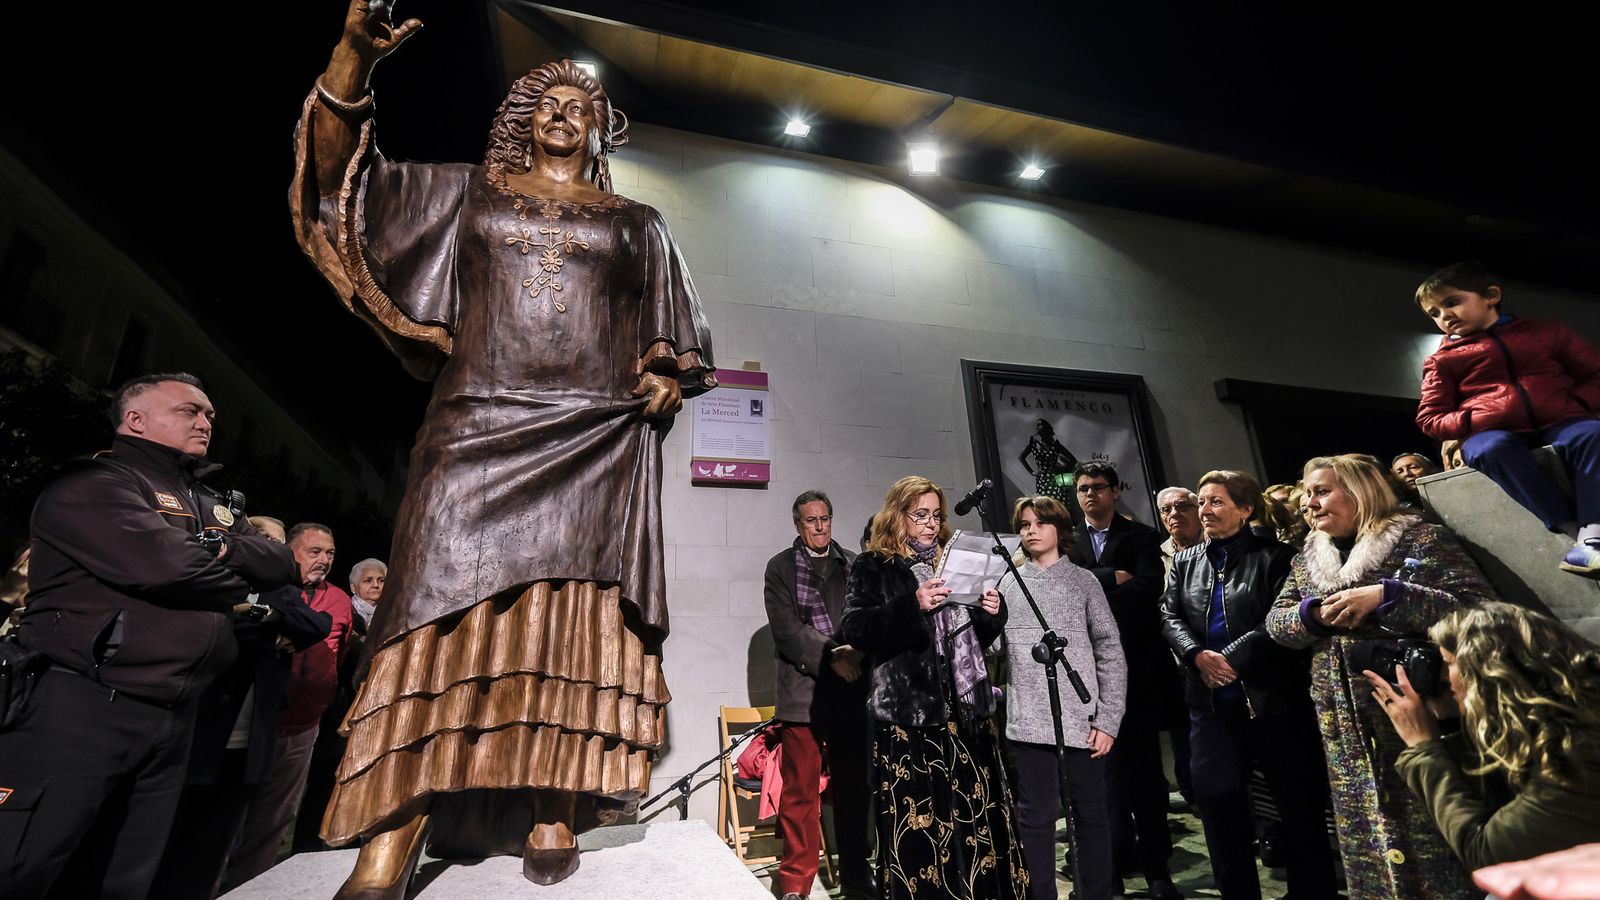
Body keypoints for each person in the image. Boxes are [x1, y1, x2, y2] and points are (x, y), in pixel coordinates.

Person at [291, 2, 715, 894]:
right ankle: (393, 827)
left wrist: (667, 374)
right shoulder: (467, 192)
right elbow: (342, 191)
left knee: (570, 616)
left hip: (593, 434)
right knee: (426, 611)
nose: (565, 112)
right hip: (476, 424)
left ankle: (552, 798)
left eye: (582, 104)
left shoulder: (638, 221)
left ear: (601, 128)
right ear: (523, 122)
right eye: (547, 102)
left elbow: (672, 337)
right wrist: (350, 66)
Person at [0, 373, 297, 899]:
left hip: (173, 715)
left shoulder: (211, 499)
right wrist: (236, 574)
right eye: (190, 411)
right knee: (24, 863)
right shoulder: (93, 484)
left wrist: (219, 548)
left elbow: (282, 563)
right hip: (79, 702)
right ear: (136, 419)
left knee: (123, 879)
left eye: (209, 415)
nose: (206, 422)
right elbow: (169, 567)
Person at [1265, 453, 1498, 900]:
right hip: (1346, 737)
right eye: (1307, 494)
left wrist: (1390, 597)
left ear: (1360, 491)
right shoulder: (1307, 560)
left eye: (1321, 491)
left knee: (1437, 845)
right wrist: (1310, 615)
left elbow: (1479, 610)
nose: (1308, 503)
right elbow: (1276, 624)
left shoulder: (1421, 540)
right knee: (1369, 850)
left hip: (1421, 725)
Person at [839, 476, 1026, 900]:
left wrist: (991, 613)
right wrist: (912, 604)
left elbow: (972, 638)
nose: (929, 524)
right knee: (922, 827)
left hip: (966, 713)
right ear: (898, 516)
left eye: (935, 516)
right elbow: (855, 628)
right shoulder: (875, 565)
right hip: (910, 717)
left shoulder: (954, 560)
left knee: (974, 822)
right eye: (919, 515)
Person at [1159, 471, 1336, 899]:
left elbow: (1279, 617)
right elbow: (1168, 614)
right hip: (1209, 701)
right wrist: (1195, 655)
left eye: (1216, 502)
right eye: (1201, 502)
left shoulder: (1276, 556)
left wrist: (1230, 657)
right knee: (1218, 807)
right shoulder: (1185, 561)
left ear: (1245, 508)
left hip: (1272, 698)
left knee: (1297, 806)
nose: (1204, 511)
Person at [1362, 602, 1600, 869]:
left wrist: (1422, 747)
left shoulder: (1573, 761)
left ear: (1487, 672)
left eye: (1448, 663)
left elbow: (1485, 852)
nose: (1443, 678)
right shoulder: (1567, 716)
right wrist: (1454, 722)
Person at [1413, 260, 1600, 577]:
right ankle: (1573, 535)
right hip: (1490, 432)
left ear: (1490, 296)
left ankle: (1593, 537)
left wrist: (1577, 402)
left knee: (1593, 433)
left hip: (1561, 419)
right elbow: (1431, 417)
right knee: (1489, 449)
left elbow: (1595, 374)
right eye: (1434, 313)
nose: (1444, 316)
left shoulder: (1547, 333)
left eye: (1452, 302)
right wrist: (1476, 418)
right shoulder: (1441, 360)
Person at [998, 495, 1126, 900]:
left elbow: (1110, 652)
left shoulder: (1084, 581)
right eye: (1023, 525)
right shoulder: (1008, 583)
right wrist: (985, 617)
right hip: (1028, 724)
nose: (1030, 530)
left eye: (1039, 522)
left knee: (1090, 819)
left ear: (1059, 529)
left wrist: (1108, 720)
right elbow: (992, 650)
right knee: (1035, 819)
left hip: (1083, 723)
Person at [1070, 461, 1183, 900]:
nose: (1089, 495)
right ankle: (1110, 870)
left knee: (1146, 775)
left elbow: (1147, 589)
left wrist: (1089, 600)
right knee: (1103, 778)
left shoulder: (1143, 538)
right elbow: (1057, 589)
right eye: (1082, 488)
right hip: (1086, 674)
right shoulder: (1067, 541)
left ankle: (1157, 868)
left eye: (1098, 487)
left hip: (1136, 669)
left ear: (1116, 491)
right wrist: (1105, 579)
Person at [761, 490, 874, 900]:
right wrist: (835, 657)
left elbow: (866, 618)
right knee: (800, 795)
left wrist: (855, 655)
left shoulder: (853, 564)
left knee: (853, 790)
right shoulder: (780, 567)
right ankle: (796, 881)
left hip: (850, 692)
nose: (820, 525)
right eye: (811, 520)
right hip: (802, 696)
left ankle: (857, 876)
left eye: (825, 517)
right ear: (798, 524)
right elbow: (786, 630)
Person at [227, 523, 355, 885]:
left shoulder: (340, 600)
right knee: (229, 813)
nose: (324, 560)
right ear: (288, 551)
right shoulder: (264, 587)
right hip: (254, 720)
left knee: (274, 819)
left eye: (329, 553)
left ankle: (249, 888)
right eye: (314, 552)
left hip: (303, 725)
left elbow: (339, 654)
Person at [1020, 419, 1081, 512]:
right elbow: (1022, 457)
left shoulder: (1055, 445)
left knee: (1058, 504)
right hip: (1042, 479)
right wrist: (1032, 472)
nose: (1039, 429)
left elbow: (1073, 460)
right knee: (1044, 506)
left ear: (1047, 430)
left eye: (1041, 426)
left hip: (1055, 478)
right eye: (1038, 427)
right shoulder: (1033, 444)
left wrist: (1062, 470)